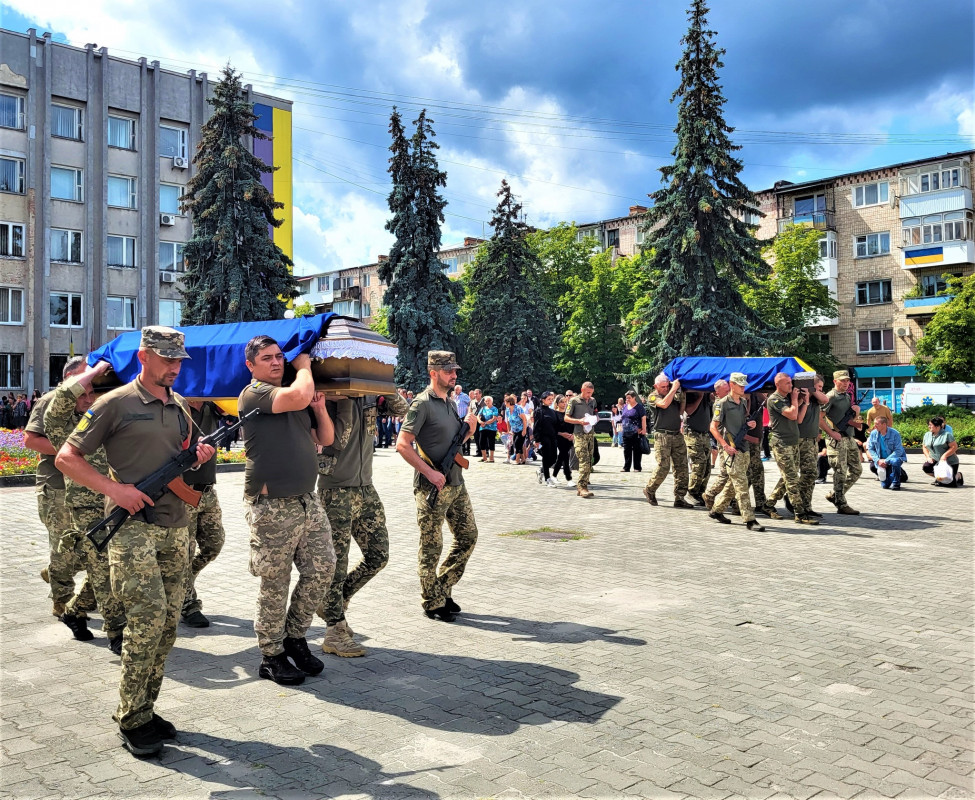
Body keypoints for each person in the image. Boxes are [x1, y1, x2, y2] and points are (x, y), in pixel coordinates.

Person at [57, 327, 215, 756]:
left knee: (166, 627)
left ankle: (145, 709)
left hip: (175, 527)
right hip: (132, 527)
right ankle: (130, 718)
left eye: (179, 360)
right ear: (144, 356)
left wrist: (199, 453)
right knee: (146, 623)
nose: (175, 367)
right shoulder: (114, 404)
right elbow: (65, 457)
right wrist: (115, 491)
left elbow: (189, 447)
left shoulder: (179, 404)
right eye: (167, 359)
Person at [238, 336, 337, 687]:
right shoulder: (256, 393)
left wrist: (320, 407)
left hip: (306, 500)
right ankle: (271, 655)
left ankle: (295, 637)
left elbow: (324, 438)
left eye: (280, 356)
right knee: (275, 582)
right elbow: (297, 394)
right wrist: (305, 366)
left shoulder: (296, 395)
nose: (277, 362)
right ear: (251, 366)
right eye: (267, 358)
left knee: (323, 568)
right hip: (272, 505)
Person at [316, 389, 409, 657]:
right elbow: (336, 438)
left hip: (366, 487)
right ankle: (334, 631)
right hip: (336, 489)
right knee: (337, 562)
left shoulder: (371, 394)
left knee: (378, 555)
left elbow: (402, 409)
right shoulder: (330, 394)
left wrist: (383, 385)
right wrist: (343, 397)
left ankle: (334, 600)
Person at [43, 360, 128, 649]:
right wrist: (93, 370)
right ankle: (117, 633)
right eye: (83, 394)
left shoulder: (102, 420)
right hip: (86, 508)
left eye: (92, 393)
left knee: (107, 565)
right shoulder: (60, 426)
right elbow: (63, 397)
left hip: (116, 503)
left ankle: (74, 612)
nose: (88, 399)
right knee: (103, 568)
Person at [395, 351, 478, 622]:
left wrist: (470, 428)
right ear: (433, 373)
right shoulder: (422, 404)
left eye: (454, 370)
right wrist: (429, 473)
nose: (454, 375)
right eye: (448, 371)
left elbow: (455, 441)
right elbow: (402, 444)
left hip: (455, 483)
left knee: (468, 537)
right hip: (432, 487)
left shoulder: (450, 403)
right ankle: (432, 601)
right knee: (431, 546)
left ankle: (441, 587)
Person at [23, 356, 95, 623]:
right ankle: (62, 601)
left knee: (89, 546)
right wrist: (71, 452)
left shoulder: (93, 402)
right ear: (68, 379)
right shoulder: (50, 401)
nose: (89, 388)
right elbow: (30, 440)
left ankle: (56, 574)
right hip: (57, 486)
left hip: (87, 488)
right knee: (62, 545)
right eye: (84, 378)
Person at [180, 401, 226, 629]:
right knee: (184, 553)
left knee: (214, 545)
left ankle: (183, 580)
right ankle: (188, 604)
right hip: (183, 492)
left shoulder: (214, 404)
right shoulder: (176, 406)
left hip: (207, 491)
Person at [708, 372, 765, 531]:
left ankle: (717, 510)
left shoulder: (742, 403)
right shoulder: (722, 404)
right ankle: (750, 520)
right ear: (732, 385)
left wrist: (750, 424)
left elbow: (741, 424)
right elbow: (713, 427)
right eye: (741, 385)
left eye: (744, 385)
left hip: (744, 448)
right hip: (731, 449)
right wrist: (725, 446)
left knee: (733, 485)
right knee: (742, 485)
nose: (744, 387)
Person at [769, 374, 829, 518]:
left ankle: (803, 505)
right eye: (818, 387)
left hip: (809, 439)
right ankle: (795, 506)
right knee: (792, 476)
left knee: (808, 474)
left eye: (821, 388)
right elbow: (795, 417)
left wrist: (811, 392)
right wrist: (801, 397)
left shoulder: (813, 397)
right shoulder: (783, 398)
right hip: (795, 440)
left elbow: (825, 399)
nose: (820, 390)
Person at [642, 374, 692, 509]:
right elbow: (663, 405)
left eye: (667, 386)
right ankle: (650, 489)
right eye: (662, 387)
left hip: (676, 434)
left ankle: (680, 497)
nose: (665, 389)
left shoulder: (672, 394)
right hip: (662, 435)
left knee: (682, 467)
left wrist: (680, 394)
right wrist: (673, 389)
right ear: (655, 386)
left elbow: (680, 411)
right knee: (663, 466)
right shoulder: (653, 396)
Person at [822, 370, 863, 515]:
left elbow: (851, 420)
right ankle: (841, 503)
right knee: (840, 471)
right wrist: (831, 432)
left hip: (849, 437)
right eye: (842, 381)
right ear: (835, 381)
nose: (846, 383)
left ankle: (836, 494)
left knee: (857, 470)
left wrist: (856, 412)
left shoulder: (847, 396)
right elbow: (820, 417)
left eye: (847, 381)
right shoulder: (830, 396)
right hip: (836, 439)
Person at [564, 382, 597, 498]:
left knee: (589, 461)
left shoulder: (593, 401)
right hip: (579, 434)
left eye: (591, 393)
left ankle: (582, 486)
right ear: (582, 390)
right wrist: (579, 421)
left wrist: (594, 418)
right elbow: (566, 418)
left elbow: (595, 413)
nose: (589, 395)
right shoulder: (574, 401)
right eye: (587, 392)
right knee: (583, 459)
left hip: (590, 433)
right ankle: (582, 487)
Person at [683, 390, 712, 504]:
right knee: (699, 463)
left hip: (704, 433)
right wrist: (700, 396)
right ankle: (692, 492)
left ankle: (700, 492)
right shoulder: (692, 393)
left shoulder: (706, 393)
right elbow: (689, 411)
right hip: (692, 432)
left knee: (707, 466)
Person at [866, 416, 908, 490]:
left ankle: (896, 482)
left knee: (895, 461)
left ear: (884, 424)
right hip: (880, 459)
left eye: (877, 424)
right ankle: (895, 473)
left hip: (892, 458)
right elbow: (871, 449)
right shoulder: (873, 433)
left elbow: (898, 450)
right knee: (885, 486)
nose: (874, 426)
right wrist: (878, 460)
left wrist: (886, 461)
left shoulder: (895, 433)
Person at [922, 416, 963, 487]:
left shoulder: (947, 435)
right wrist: (928, 457)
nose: (929, 426)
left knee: (950, 484)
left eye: (930, 425)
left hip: (949, 461)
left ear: (937, 426)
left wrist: (944, 456)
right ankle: (940, 477)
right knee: (926, 467)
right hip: (935, 460)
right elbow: (924, 447)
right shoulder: (927, 435)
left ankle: (958, 475)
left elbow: (954, 447)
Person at [533, 391, 560, 486]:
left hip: (553, 437)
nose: (551, 401)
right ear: (543, 400)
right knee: (546, 457)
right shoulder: (538, 411)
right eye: (549, 399)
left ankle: (541, 470)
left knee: (553, 458)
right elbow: (536, 425)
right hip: (543, 437)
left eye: (552, 399)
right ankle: (547, 479)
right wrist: (536, 439)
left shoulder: (552, 411)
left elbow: (556, 425)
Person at [620, 390, 647, 473]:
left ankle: (637, 467)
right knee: (626, 450)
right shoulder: (625, 406)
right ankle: (626, 467)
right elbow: (623, 417)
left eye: (629, 398)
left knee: (637, 450)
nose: (627, 400)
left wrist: (644, 430)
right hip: (625, 432)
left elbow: (643, 418)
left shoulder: (639, 407)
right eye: (626, 398)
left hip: (636, 432)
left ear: (634, 398)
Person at [552, 394, 575, 484]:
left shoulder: (568, 414)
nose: (564, 404)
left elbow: (572, 425)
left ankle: (554, 475)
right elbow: (553, 428)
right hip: (559, 438)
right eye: (562, 402)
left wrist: (572, 435)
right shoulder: (555, 414)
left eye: (565, 402)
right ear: (557, 403)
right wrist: (562, 434)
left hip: (568, 438)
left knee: (562, 457)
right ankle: (569, 478)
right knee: (565, 456)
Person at [503, 395, 529, 465]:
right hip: (514, 430)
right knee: (517, 444)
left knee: (518, 444)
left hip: (521, 429)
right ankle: (523, 459)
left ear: (509, 402)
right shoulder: (507, 410)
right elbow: (508, 421)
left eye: (505, 402)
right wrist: (509, 430)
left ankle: (517, 460)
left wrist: (524, 430)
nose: (504, 403)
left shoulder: (518, 408)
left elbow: (524, 419)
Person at [477, 396, 498, 462]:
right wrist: (480, 421)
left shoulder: (494, 409)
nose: (487, 402)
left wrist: (485, 423)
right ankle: (484, 457)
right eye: (486, 401)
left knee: (491, 442)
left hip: (491, 428)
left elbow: (494, 418)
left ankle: (491, 458)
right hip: (483, 428)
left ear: (492, 401)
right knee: (481, 442)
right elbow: (478, 416)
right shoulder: (483, 408)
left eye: (489, 400)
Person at [453, 385, 471, 456]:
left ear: (460, 390)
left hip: (464, 417)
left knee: (465, 432)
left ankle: (467, 450)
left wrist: (468, 414)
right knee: (459, 433)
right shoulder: (455, 396)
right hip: (457, 417)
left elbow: (470, 404)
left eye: (457, 390)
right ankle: (461, 449)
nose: (455, 391)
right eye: (455, 389)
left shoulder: (464, 396)